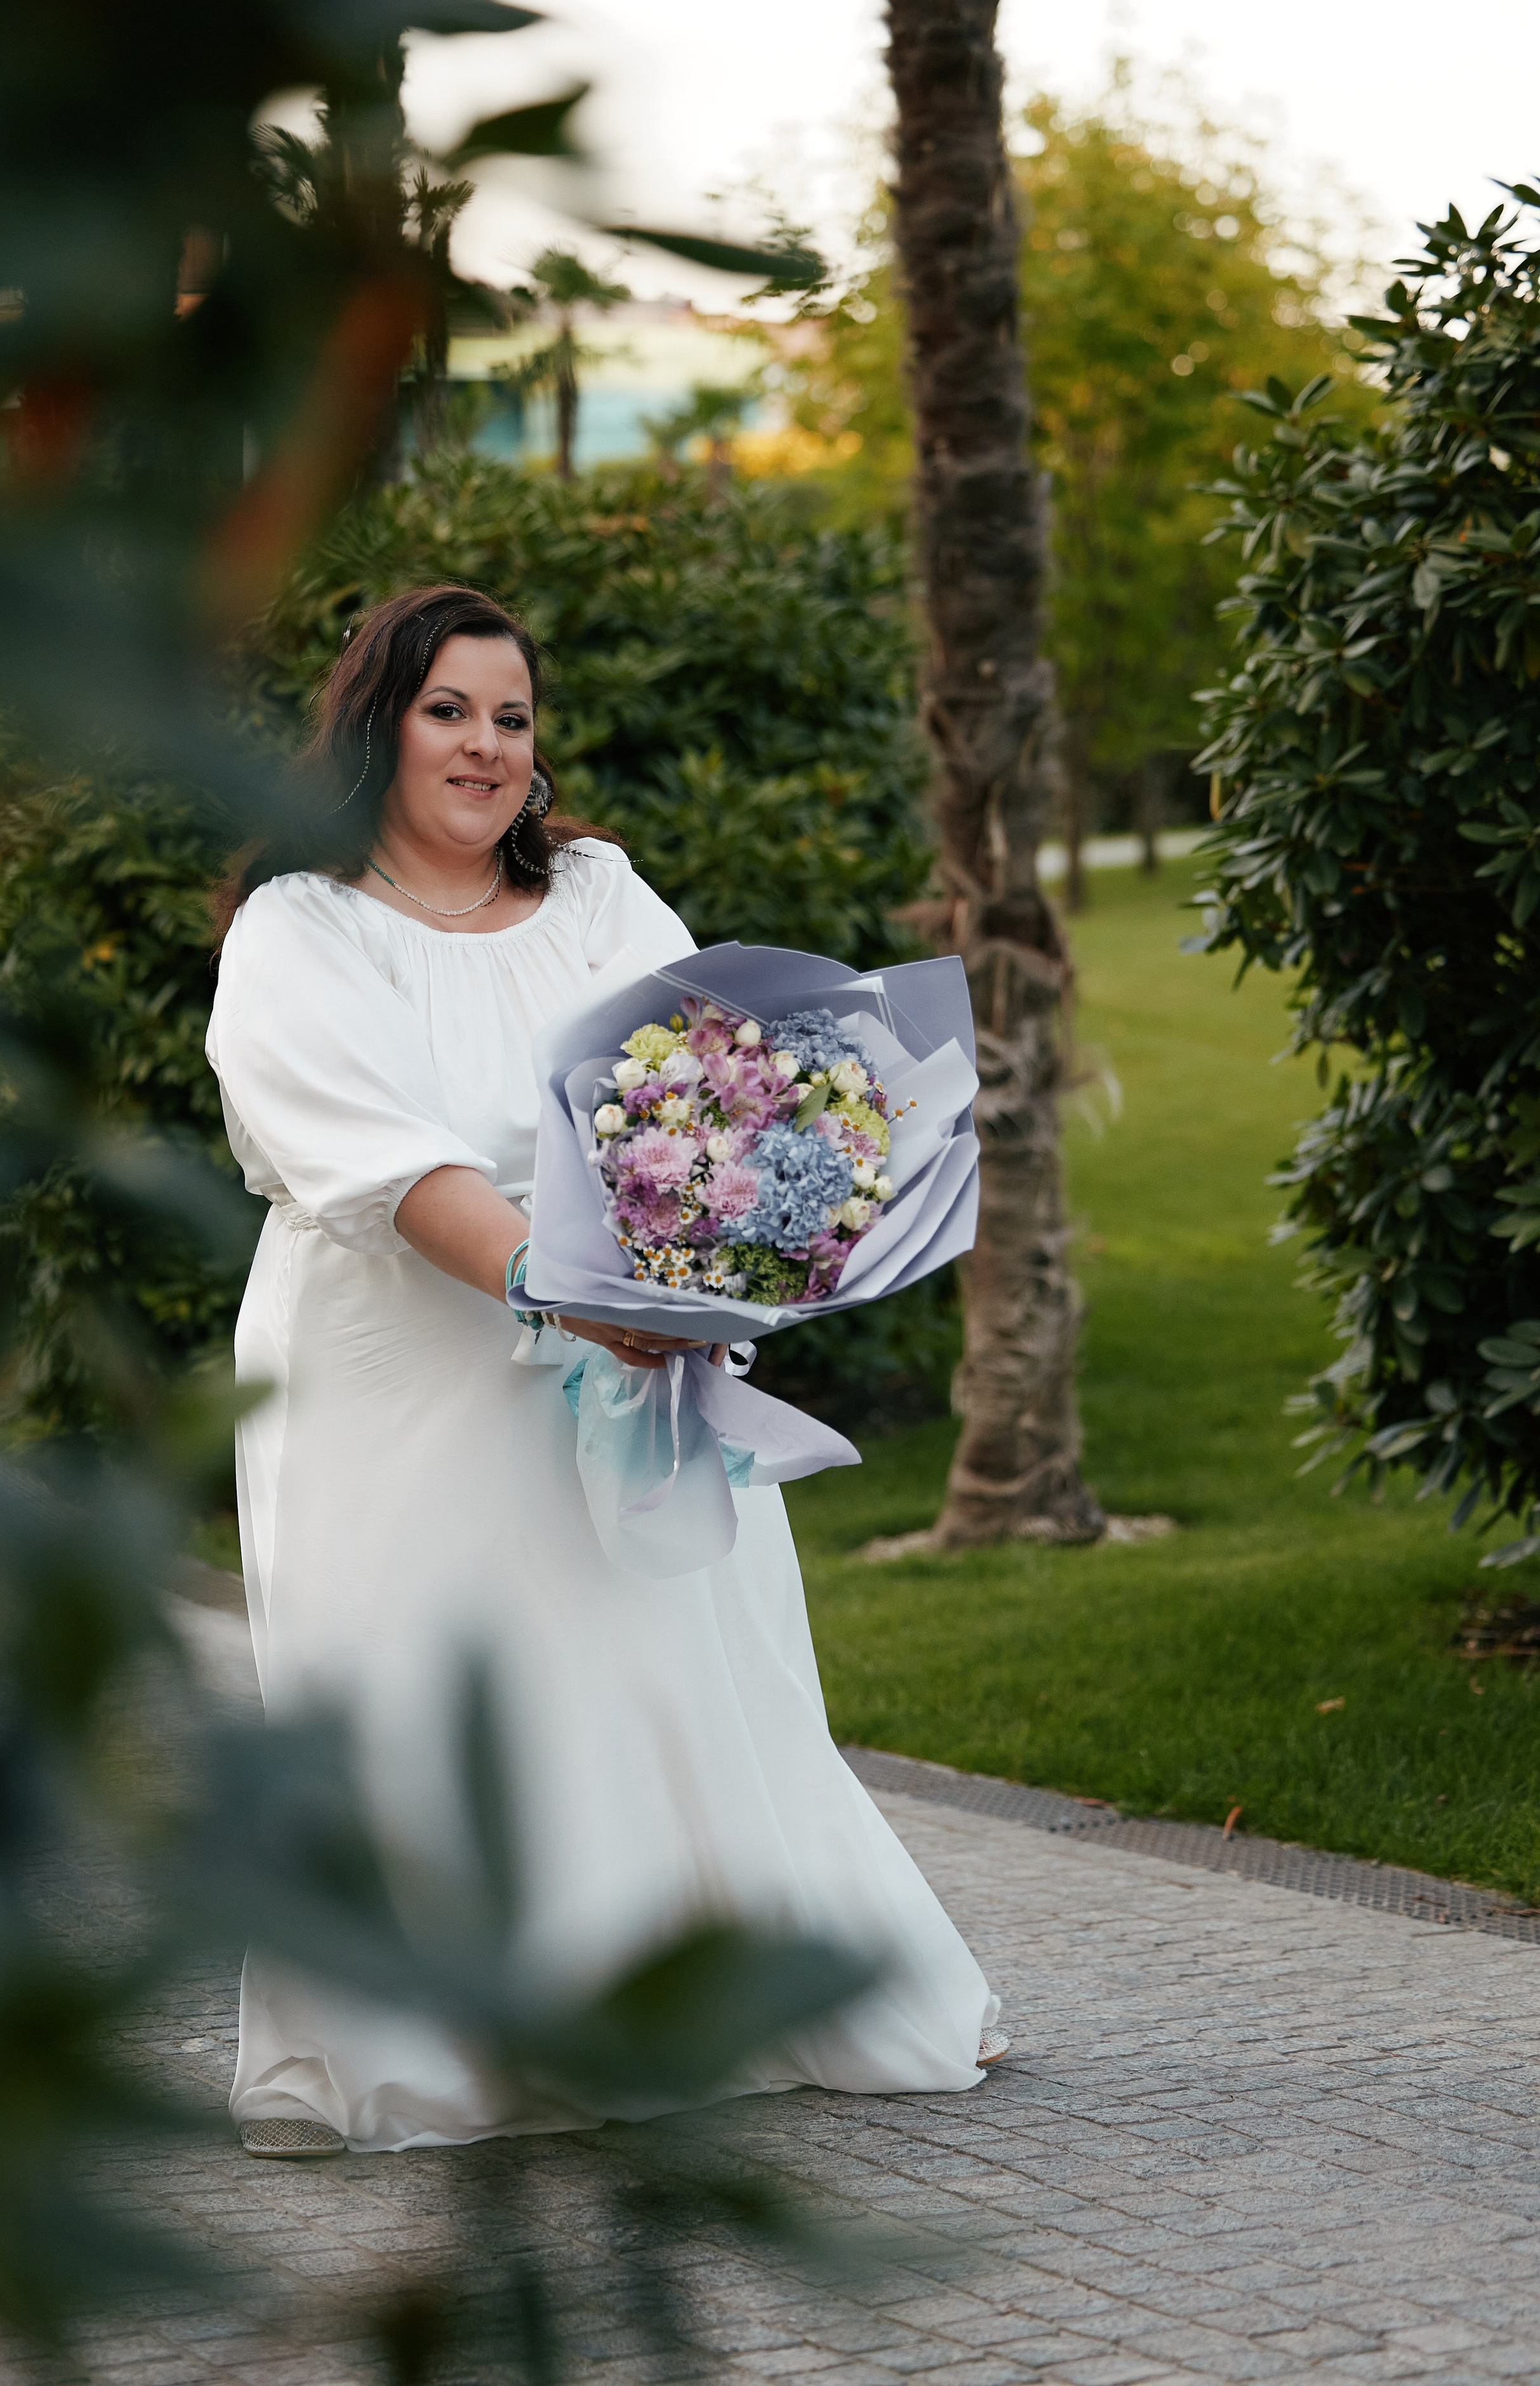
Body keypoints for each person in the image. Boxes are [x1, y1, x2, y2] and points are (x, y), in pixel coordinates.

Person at [207, 582, 1006, 2158]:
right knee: (423, 1676)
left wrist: (706, 1271)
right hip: (394, 1367)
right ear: (376, 723)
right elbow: (370, 1152)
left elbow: (713, 1086)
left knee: (663, 1652)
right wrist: (557, 1285)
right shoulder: (299, 924)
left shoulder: (597, 896)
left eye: (512, 718)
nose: (487, 747)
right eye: (450, 711)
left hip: (638, 1357)